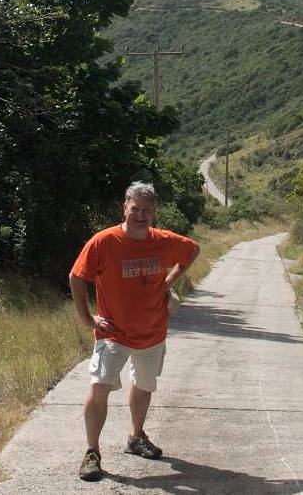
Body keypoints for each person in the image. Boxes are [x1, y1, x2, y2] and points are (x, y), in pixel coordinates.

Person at [69, 181, 200, 482]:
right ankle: (92, 453)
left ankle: (135, 437)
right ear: (124, 207)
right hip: (113, 333)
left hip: (153, 331)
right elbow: (77, 277)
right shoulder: (104, 242)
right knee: (99, 386)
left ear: (154, 213)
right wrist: (88, 319)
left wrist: (170, 280)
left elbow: (192, 251)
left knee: (143, 385)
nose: (141, 215)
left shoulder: (164, 240)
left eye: (147, 211)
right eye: (135, 209)